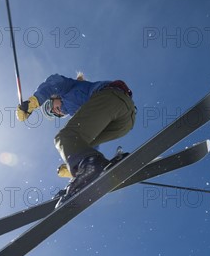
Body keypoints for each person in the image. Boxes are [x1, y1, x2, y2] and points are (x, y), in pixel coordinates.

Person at [17, 72, 136, 204]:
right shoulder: (81, 112)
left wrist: (33, 102)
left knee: (64, 137)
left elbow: (53, 83)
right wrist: (73, 165)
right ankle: (87, 170)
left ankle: (90, 167)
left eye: (50, 108)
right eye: (54, 115)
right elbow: (86, 144)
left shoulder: (68, 88)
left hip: (111, 97)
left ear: (54, 97)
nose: (56, 112)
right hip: (124, 122)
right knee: (81, 143)